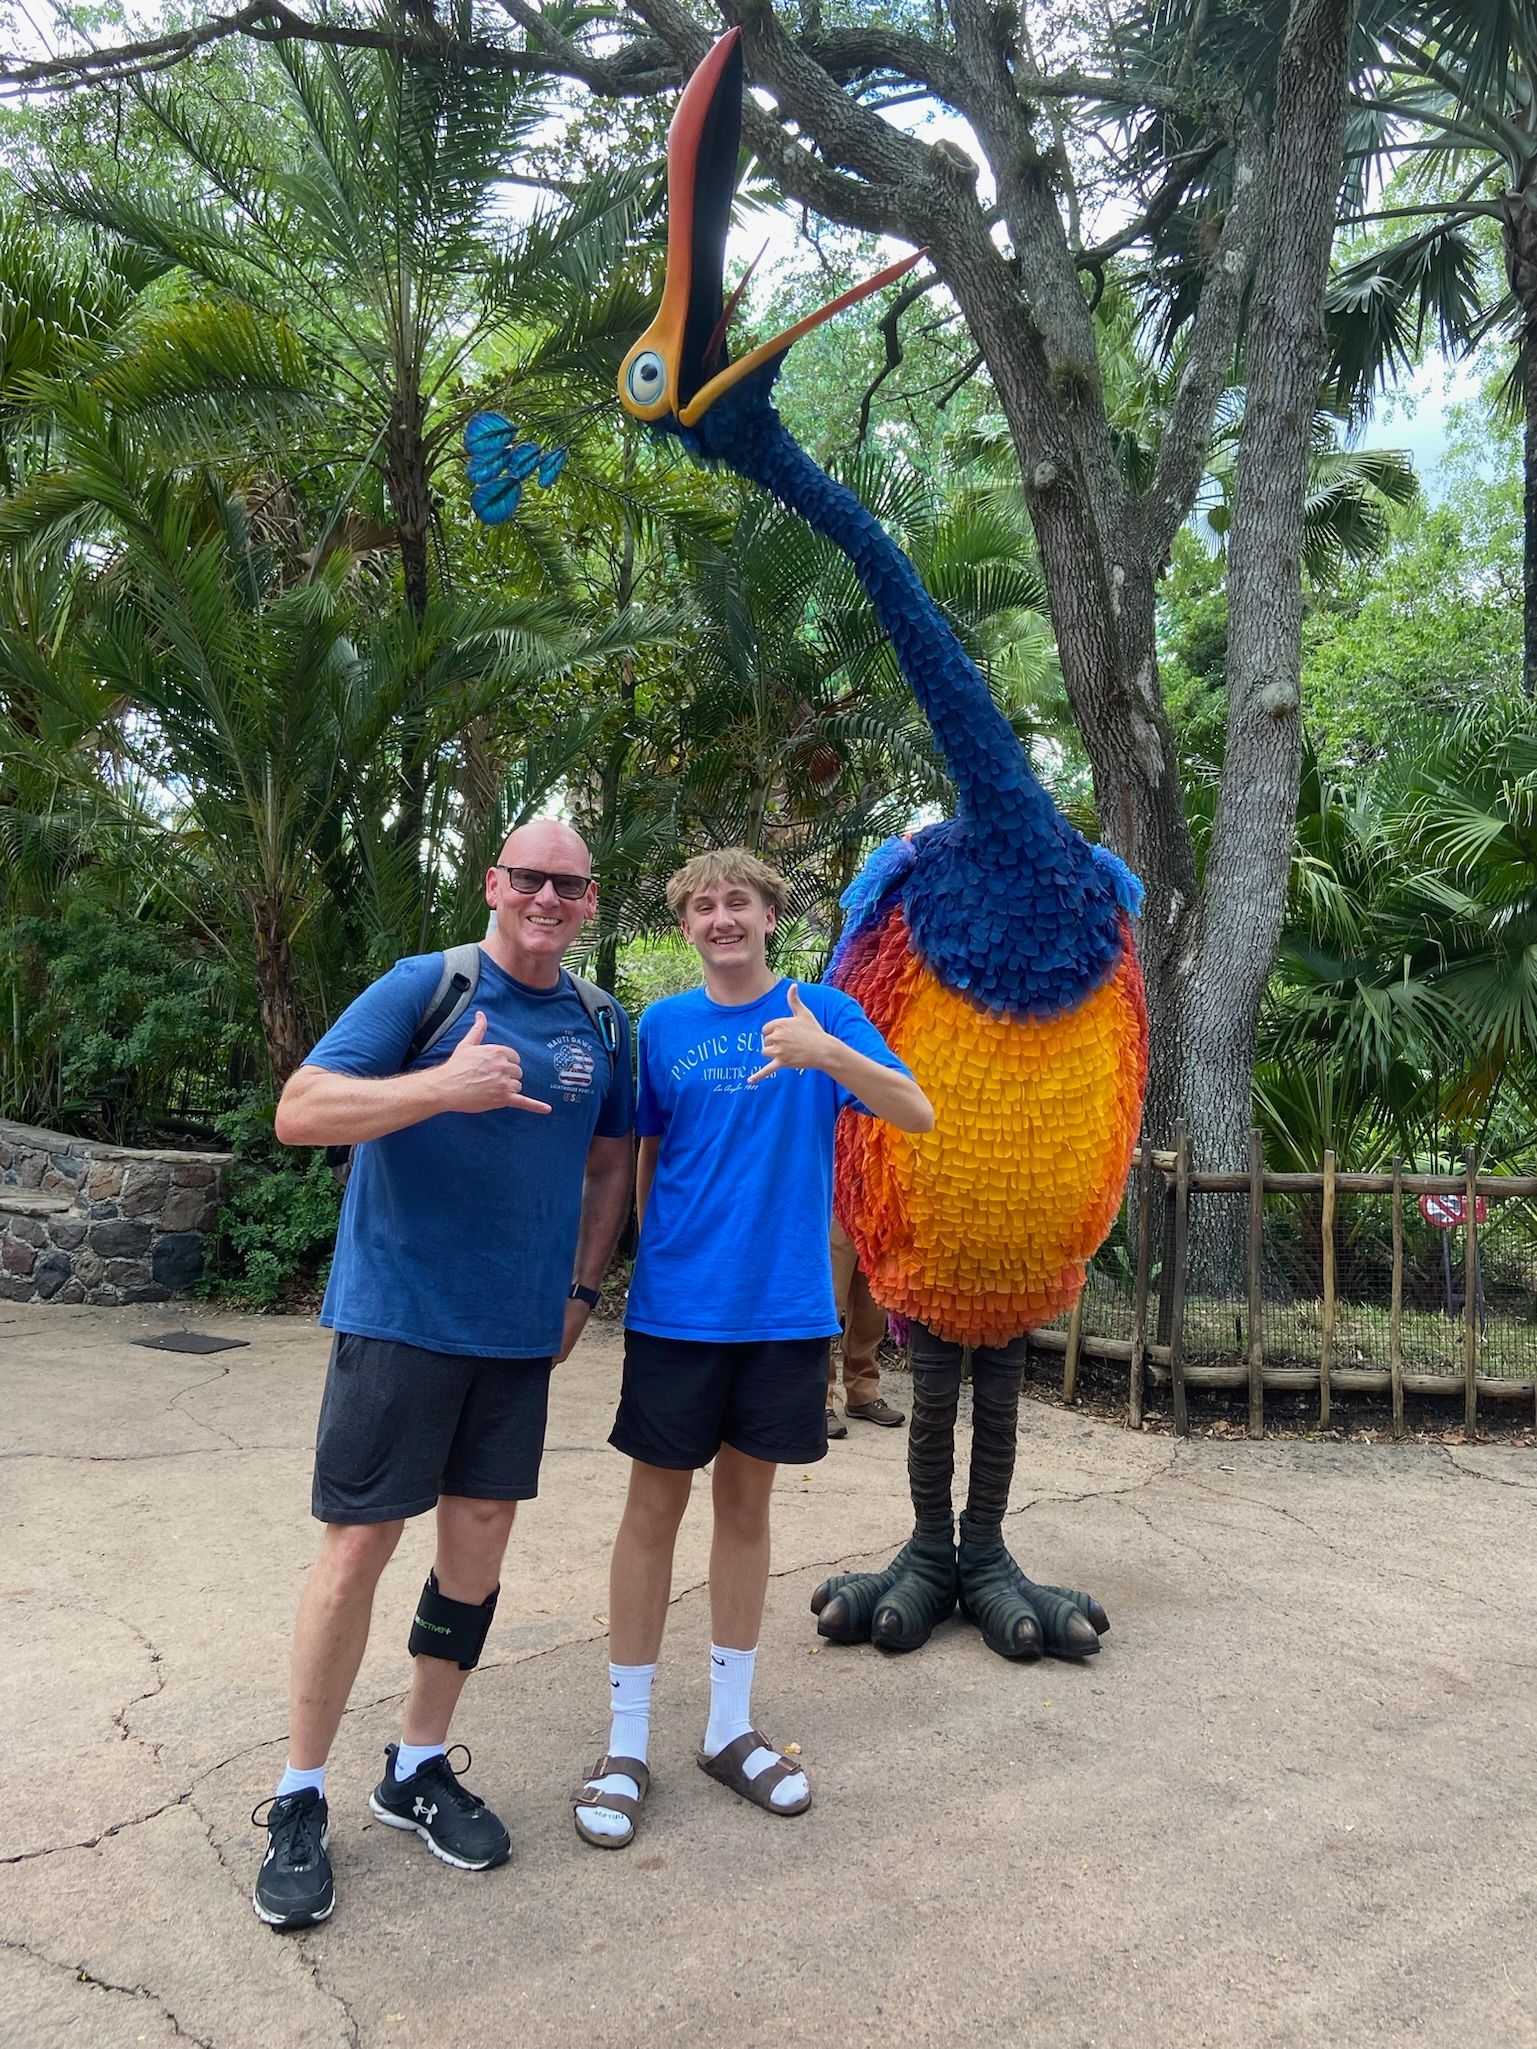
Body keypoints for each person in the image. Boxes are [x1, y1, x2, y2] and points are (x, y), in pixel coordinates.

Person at [251, 819, 634, 1930]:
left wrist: (578, 1292)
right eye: (528, 878)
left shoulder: (601, 1024)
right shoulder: (427, 988)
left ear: (590, 899)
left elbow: (611, 1165)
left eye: (566, 883)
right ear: (493, 883)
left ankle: (415, 1765)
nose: (545, 898)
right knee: (359, 1549)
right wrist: (440, 1087)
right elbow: (300, 1110)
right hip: (399, 1320)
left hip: (516, 1337)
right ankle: (297, 1794)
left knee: (474, 1556)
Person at [571, 849, 932, 1849]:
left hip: (783, 1314)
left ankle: (729, 1729)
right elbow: (644, 1155)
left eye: (739, 902)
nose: (720, 917)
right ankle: (627, 1741)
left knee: (745, 1510)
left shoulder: (821, 1015)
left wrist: (829, 1057)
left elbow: (916, 1110)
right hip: (679, 1313)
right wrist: (649, 1271)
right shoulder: (665, 1027)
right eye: (701, 905)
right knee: (652, 1512)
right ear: (686, 926)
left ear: (771, 916)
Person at [825, 1217, 906, 1438]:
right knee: (829, 1302)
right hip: (836, 1199)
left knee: (871, 1307)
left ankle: (862, 1391)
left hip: (874, 1205)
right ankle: (819, 1401)